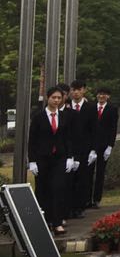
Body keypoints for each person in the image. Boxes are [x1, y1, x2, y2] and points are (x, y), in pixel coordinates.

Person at [28, 86, 71, 235]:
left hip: (59, 158)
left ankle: (57, 222)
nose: (56, 100)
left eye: (59, 98)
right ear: (48, 98)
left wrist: (70, 157)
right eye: (54, 97)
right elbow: (32, 140)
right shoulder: (38, 117)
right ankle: (44, 221)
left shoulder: (64, 116)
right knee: (43, 189)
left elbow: (68, 138)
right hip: (42, 158)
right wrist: (32, 161)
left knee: (58, 188)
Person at [65, 80, 96, 217]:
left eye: (79, 89)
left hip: (85, 149)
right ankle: (68, 208)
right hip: (69, 148)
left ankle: (79, 207)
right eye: (74, 90)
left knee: (82, 179)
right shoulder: (66, 107)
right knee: (69, 179)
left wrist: (93, 149)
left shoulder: (91, 107)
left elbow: (95, 129)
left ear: (84, 90)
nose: (76, 92)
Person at [89, 86, 118, 208]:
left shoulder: (112, 109)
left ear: (108, 96)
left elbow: (113, 128)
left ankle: (97, 199)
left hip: (104, 145)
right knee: (88, 173)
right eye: (100, 94)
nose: (101, 96)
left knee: (100, 172)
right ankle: (87, 199)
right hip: (91, 145)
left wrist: (110, 146)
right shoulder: (91, 108)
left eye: (104, 94)